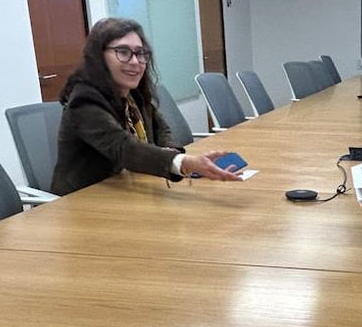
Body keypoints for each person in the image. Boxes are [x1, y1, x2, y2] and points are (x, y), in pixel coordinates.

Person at [51, 17, 242, 196]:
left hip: (126, 190)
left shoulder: (133, 94)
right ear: (99, 56)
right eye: (123, 52)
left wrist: (170, 150)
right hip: (84, 200)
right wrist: (183, 162)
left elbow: (160, 127)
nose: (135, 62)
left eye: (140, 53)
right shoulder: (85, 101)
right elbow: (123, 148)